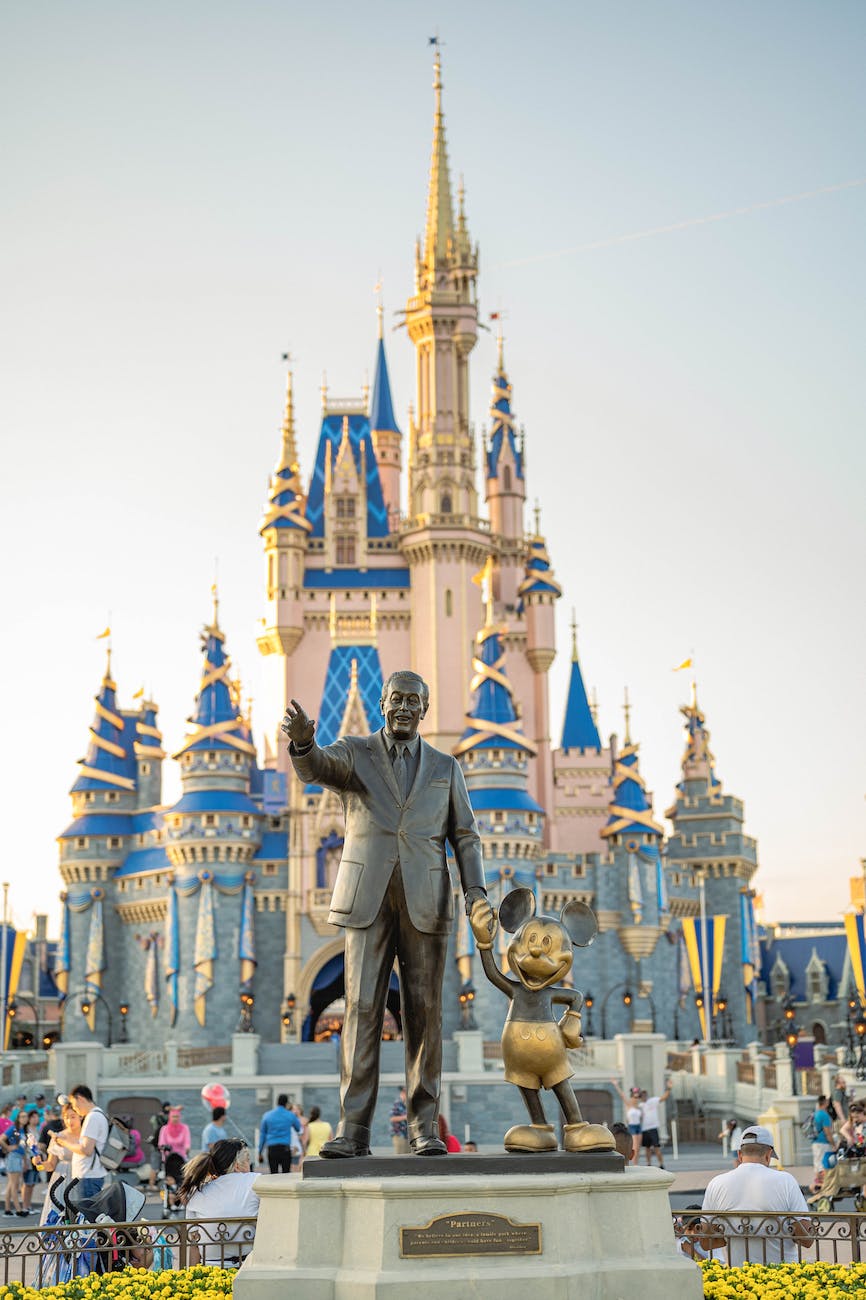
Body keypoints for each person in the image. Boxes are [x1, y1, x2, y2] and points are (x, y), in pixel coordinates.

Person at [283, 671, 494, 1158]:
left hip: (427, 900)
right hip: (367, 898)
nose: (403, 708)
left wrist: (476, 891)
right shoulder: (356, 753)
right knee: (360, 1011)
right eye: (396, 699)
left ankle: (424, 1128)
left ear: (425, 709)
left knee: (425, 1016)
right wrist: (303, 744)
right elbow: (318, 768)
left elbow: (465, 835)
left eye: (413, 701)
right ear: (382, 704)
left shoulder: (446, 767)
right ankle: (352, 1130)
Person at [702, 1124, 813, 1265]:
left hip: (740, 1276)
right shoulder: (786, 1180)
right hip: (783, 1275)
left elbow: (706, 1241)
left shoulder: (716, 1183)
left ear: (740, 1155)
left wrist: (731, 1234)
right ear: (768, 1155)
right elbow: (806, 1239)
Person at [179, 1139, 259, 1266]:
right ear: (237, 1165)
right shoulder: (254, 1181)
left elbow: (193, 1242)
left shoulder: (197, 1191)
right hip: (248, 1267)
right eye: (248, 1159)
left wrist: (192, 1278)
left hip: (211, 1270)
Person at [54, 1083, 109, 1198]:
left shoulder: (92, 1117)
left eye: (74, 1104)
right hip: (90, 1174)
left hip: (88, 1176)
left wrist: (64, 1143)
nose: (74, 1108)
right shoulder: (98, 1114)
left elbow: (86, 1149)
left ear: (80, 1099)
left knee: (87, 1214)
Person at [34, 1103, 80, 1225]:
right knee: (59, 1214)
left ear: (80, 1116)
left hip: (80, 1176)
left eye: (73, 1116)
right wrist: (38, 1164)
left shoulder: (86, 1136)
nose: (69, 1120)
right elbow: (50, 1165)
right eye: (66, 1117)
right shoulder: (58, 1136)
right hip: (61, 1177)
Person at [258, 1094, 303, 1173]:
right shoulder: (290, 1115)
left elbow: (263, 1135)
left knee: (273, 1174)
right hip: (285, 1148)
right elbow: (298, 1128)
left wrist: (260, 1152)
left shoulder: (267, 1115)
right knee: (286, 1174)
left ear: (277, 1102)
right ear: (286, 1103)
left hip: (272, 1148)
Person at [158, 1105, 191, 1210]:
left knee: (182, 1180)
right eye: (173, 1117)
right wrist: (164, 1148)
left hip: (181, 1159)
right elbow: (161, 1143)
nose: (175, 1119)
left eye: (177, 1117)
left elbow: (187, 1142)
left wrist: (187, 1148)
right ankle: (169, 1202)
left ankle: (183, 1202)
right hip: (169, 1160)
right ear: (170, 1118)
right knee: (170, 1181)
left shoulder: (184, 1128)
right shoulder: (164, 1129)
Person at [809, 1094, 838, 1194]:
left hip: (815, 1143)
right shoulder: (824, 1115)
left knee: (817, 1165)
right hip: (823, 1143)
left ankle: (816, 1186)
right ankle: (821, 1186)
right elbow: (828, 1132)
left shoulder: (816, 1113)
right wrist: (834, 1144)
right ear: (825, 1103)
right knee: (823, 1165)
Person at [638, 1083, 671, 1168]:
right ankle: (648, 1164)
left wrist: (668, 1088)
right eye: (642, 1095)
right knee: (647, 1148)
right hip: (644, 1129)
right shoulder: (640, 1105)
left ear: (647, 1095)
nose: (644, 1096)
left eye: (645, 1094)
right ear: (640, 1097)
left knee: (656, 1147)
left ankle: (661, 1164)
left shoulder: (653, 1101)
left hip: (653, 1128)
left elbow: (664, 1098)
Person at [1, 1120, 26, 1215]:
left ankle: (7, 1209)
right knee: (14, 1185)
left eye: (25, 1116)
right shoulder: (13, 1128)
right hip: (13, 1157)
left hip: (18, 1157)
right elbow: (1, 1139)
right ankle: (18, 1209)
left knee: (11, 1184)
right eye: (22, 1117)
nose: (25, 1118)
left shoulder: (22, 1130)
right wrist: (8, 1148)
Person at [389, 1087, 409, 1155]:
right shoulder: (397, 1104)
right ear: (402, 1093)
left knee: (408, 1156)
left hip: (408, 1136)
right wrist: (405, 1117)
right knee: (401, 1156)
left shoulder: (408, 1104)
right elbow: (392, 1118)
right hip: (399, 1135)